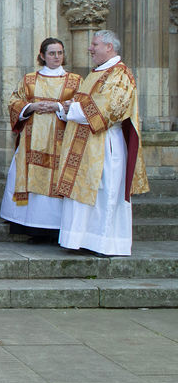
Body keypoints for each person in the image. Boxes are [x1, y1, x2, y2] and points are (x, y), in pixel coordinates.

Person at [53, 30, 149, 257]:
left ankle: (106, 243)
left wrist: (70, 109)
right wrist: (70, 108)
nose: (90, 48)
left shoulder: (120, 74)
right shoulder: (97, 73)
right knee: (84, 192)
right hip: (84, 142)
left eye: (95, 44)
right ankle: (82, 239)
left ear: (109, 47)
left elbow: (109, 109)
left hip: (105, 144)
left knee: (105, 192)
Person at [0, 38, 82, 243]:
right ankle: (33, 228)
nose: (56, 57)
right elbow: (14, 101)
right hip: (31, 138)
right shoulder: (29, 79)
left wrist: (59, 108)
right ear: (42, 55)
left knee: (56, 180)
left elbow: (81, 104)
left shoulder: (75, 80)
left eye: (60, 53)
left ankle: (56, 229)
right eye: (52, 53)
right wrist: (32, 107)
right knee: (30, 179)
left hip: (61, 139)